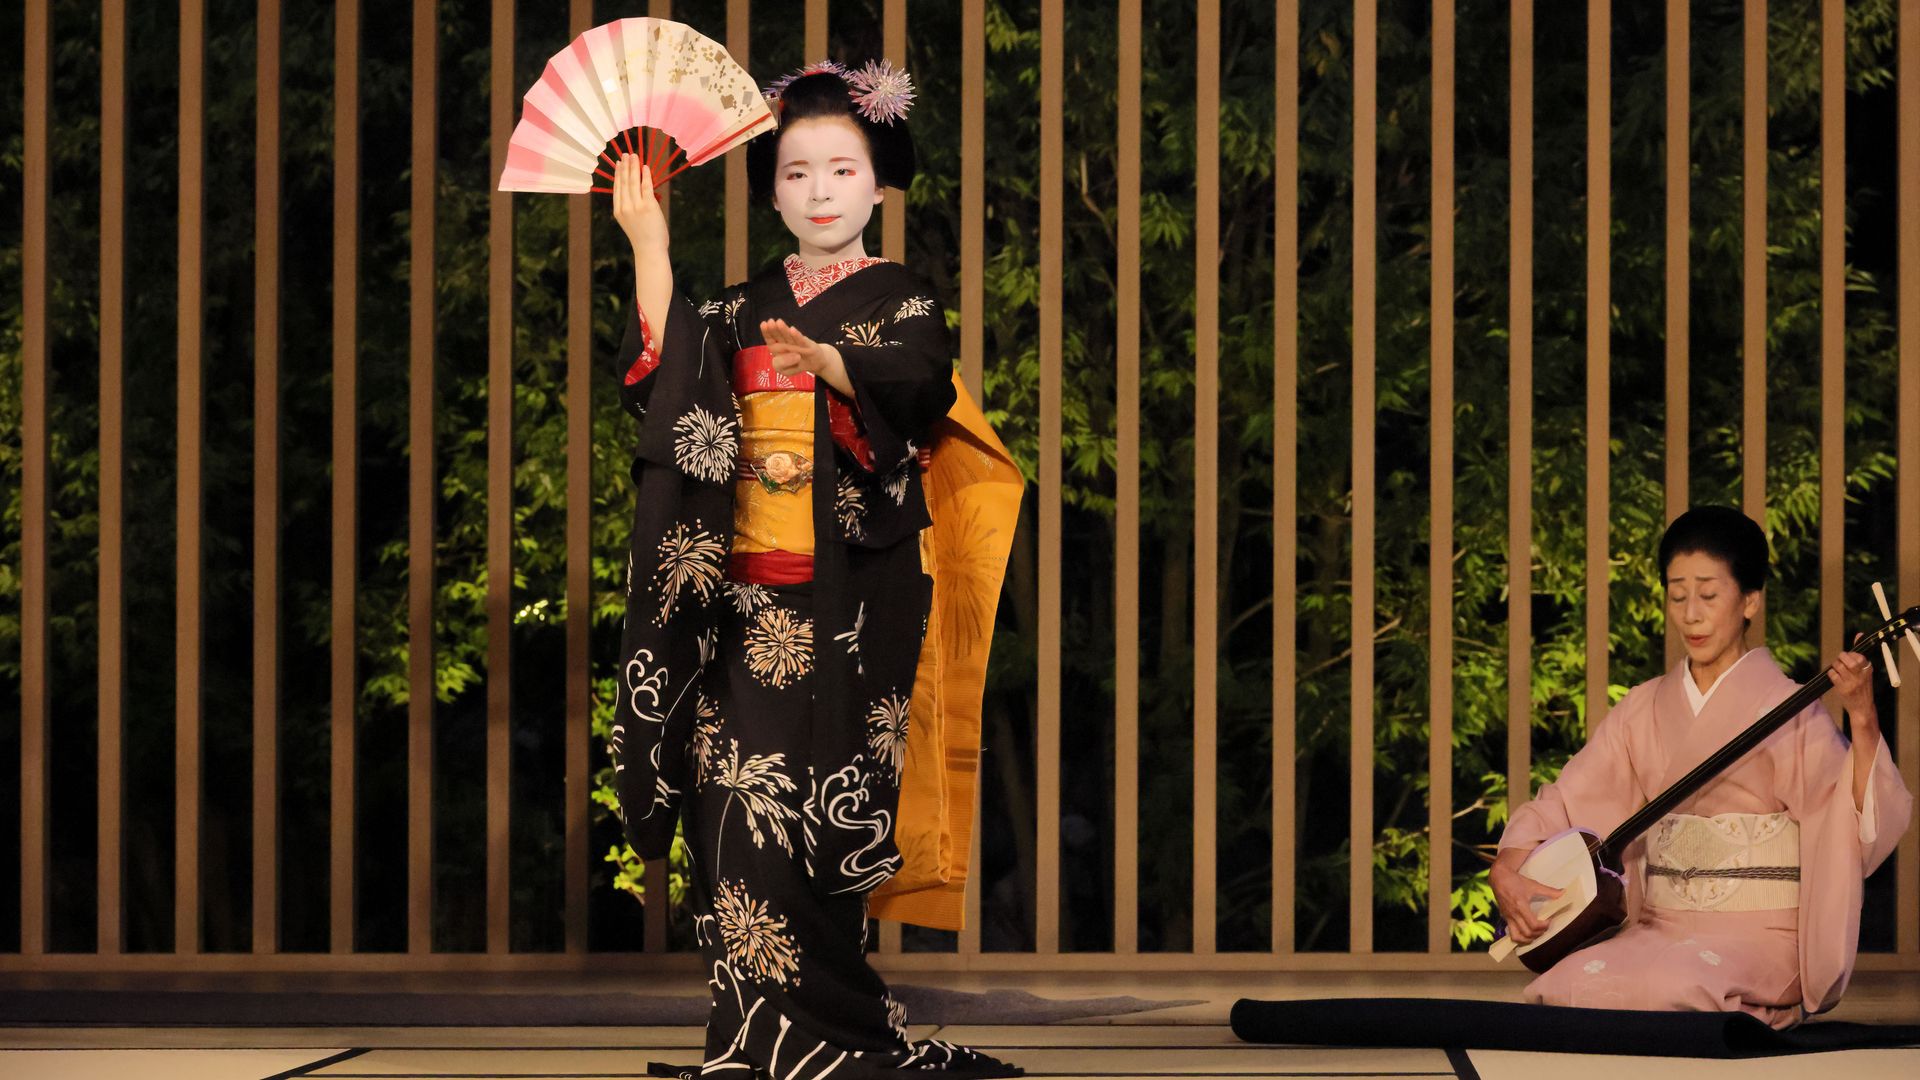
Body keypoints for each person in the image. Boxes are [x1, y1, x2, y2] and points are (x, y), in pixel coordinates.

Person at [607, 58, 1026, 1078]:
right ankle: (757, 1038)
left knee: (823, 810)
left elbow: (921, 385)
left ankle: (839, 1034)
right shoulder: (744, 307)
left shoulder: (902, 301)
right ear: (772, 192)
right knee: (734, 805)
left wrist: (838, 366)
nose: (821, 191)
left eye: (842, 170)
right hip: (746, 598)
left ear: (880, 180)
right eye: (796, 174)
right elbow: (666, 392)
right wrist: (650, 246)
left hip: (858, 599)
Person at [1492, 505, 1913, 1028]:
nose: (1691, 613)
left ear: (1750, 602)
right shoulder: (1643, 708)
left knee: (1676, 988)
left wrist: (1863, 717)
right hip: (1660, 926)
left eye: (1709, 595)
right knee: (1569, 986)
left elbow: (1852, 823)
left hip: (1760, 933)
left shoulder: (1789, 711)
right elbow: (1565, 799)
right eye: (1677, 594)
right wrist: (1507, 867)